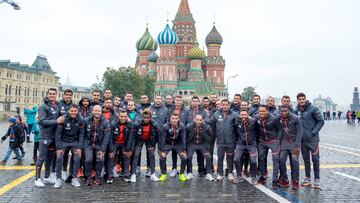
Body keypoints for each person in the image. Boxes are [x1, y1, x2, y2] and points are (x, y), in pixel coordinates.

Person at [34, 88, 64, 188]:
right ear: (47, 94)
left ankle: (47, 177)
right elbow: (41, 121)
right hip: (45, 136)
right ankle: (37, 179)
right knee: (42, 157)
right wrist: (56, 121)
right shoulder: (43, 106)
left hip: (54, 136)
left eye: (54, 94)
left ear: (56, 95)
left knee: (50, 157)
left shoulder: (57, 105)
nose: (52, 95)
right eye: (50, 94)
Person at [295, 93, 324, 189]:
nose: (301, 100)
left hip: (313, 140)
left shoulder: (313, 109)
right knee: (306, 160)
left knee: (315, 160)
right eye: (300, 99)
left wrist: (313, 132)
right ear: (297, 100)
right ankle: (307, 179)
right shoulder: (296, 111)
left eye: (303, 99)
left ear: (305, 99)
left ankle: (317, 180)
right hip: (302, 141)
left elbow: (321, 121)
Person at [54, 104, 85, 188]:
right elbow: (58, 134)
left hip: (75, 141)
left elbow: (82, 135)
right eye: (72, 111)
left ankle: (74, 178)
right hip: (64, 140)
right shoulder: (63, 119)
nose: (73, 112)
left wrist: (79, 147)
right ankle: (58, 178)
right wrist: (58, 148)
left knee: (77, 157)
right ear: (68, 111)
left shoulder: (81, 120)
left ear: (77, 111)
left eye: (75, 111)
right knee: (59, 157)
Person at [207, 99, 237, 182]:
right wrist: (202, 118)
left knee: (230, 157)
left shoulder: (234, 115)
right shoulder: (216, 114)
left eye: (226, 104)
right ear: (221, 105)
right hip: (220, 141)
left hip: (230, 141)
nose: (224, 106)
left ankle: (230, 172)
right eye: (223, 104)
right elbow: (210, 122)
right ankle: (220, 173)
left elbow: (237, 128)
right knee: (220, 158)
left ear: (229, 105)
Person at [84, 105, 111, 186]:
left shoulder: (106, 122)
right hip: (89, 144)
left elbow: (106, 138)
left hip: (99, 145)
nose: (97, 112)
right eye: (95, 110)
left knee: (100, 159)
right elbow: (82, 134)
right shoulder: (86, 120)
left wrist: (103, 150)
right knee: (88, 160)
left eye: (99, 111)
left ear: (101, 112)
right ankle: (88, 177)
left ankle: (97, 177)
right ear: (92, 111)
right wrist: (83, 146)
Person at [255, 105, 282, 188]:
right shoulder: (256, 118)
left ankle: (275, 180)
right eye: (260, 111)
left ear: (267, 111)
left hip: (273, 141)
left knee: (275, 159)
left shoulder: (274, 118)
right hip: (262, 141)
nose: (261, 113)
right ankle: (263, 176)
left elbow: (280, 130)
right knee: (261, 158)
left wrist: (278, 140)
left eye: (263, 111)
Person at [130, 109, 160, 182]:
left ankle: (152, 174)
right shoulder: (137, 124)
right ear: (142, 117)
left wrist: (160, 148)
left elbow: (159, 137)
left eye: (148, 118)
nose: (146, 119)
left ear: (150, 118)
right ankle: (133, 174)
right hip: (139, 140)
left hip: (150, 140)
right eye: (144, 117)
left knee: (151, 155)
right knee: (136, 154)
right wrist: (131, 148)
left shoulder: (155, 124)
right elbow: (133, 137)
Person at [278, 105, 303, 190]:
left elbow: (300, 131)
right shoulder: (278, 118)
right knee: (281, 160)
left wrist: (297, 144)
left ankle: (295, 181)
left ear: (289, 111)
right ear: (280, 111)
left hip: (294, 143)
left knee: (295, 162)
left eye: (285, 111)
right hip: (284, 142)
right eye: (282, 111)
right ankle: (285, 179)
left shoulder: (295, 118)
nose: (284, 113)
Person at [158, 113, 187, 182]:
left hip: (178, 144)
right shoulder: (165, 126)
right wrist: (161, 150)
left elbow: (183, 138)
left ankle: (182, 174)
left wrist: (183, 150)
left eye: (176, 119)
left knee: (184, 157)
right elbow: (163, 139)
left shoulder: (182, 126)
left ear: (178, 119)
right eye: (173, 118)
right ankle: (163, 174)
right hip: (168, 144)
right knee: (162, 157)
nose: (174, 120)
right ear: (170, 119)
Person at [186, 115, 215, 181]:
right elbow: (185, 135)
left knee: (208, 157)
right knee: (189, 157)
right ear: (194, 119)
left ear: (202, 120)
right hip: (192, 144)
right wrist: (187, 144)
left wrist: (207, 144)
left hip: (202, 144)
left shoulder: (206, 127)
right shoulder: (189, 126)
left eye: (200, 120)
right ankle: (189, 172)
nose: (198, 121)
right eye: (197, 120)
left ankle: (208, 173)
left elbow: (211, 135)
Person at [166, 96, 190, 178]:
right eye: (177, 100)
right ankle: (174, 168)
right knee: (174, 152)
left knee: (183, 152)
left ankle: (183, 170)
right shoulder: (170, 110)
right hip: (172, 133)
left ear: (182, 101)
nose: (178, 101)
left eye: (180, 100)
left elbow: (188, 121)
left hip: (182, 133)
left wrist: (184, 130)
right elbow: (167, 119)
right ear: (174, 101)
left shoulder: (186, 110)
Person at [109, 110, 135, 183]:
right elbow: (110, 138)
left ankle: (126, 174)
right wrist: (111, 149)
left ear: (127, 117)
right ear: (118, 116)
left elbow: (131, 138)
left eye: (125, 116)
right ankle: (110, 175)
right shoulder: (113, 123)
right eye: (121, 116)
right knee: (111, 157)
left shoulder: (130, 124)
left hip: (124, 143)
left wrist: (128, 149)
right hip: (114, 143)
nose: (123, 118)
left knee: (126, 156)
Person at [234, 109, 257, 184]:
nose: (243, 116)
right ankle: (239, 176)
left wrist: (255, 141)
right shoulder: (237, 122)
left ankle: (253, 177)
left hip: (251, 145)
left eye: (245, 115)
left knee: (253, 161)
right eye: (242, 115)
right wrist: (237, 141)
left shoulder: (253, 122)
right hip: (241, 144)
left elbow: (258, 132)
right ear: (240, 115)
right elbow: (236, 132)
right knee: (236, 159)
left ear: (247, 115)